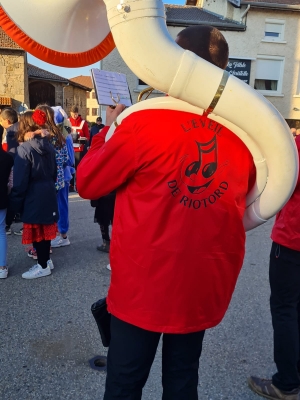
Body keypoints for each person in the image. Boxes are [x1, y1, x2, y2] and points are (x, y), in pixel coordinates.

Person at [77, 25, 256, 399]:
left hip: (141, 288)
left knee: (125, 383)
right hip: (200, 288)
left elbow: (88, 184)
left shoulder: (141, 123)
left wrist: (107, 131)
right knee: (182, 381)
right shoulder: (247, 134)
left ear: (179, 64)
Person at [248, 134, 300, 400]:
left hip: (293, 240)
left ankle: (287, 383)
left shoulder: (298, 146)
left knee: (284, 310)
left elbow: (282, 183)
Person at [9, 110, 58, 279]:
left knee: (38, 231)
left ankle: (43, 265)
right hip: (48, 190)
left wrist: (14, 206)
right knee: (46, 229)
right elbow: (54, 172)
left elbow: (20, 182)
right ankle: (46, 260)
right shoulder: (49, 145)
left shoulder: (24, 149)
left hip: (33, 193)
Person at [50, 106, 75, 248]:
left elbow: (70, 160)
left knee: (61, 205)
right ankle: (59, 233)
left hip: (62, 176)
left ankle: (63, 235)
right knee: (58, 205)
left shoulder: (65, 137)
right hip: (60, 175)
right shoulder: (62, 135)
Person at [0, 128, 14, 278]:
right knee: (1, 231)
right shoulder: (8, 158)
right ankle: (2, 267)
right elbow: (11, 182)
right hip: (1, 197)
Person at [68, 105, 90, 191]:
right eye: (73, 114)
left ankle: (78, 185)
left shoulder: (83, 122)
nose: (74, 116)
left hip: (79, 149)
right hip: (70, 148)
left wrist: (82, 139)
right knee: (70, 167)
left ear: (78, 113)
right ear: (70, 113)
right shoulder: (67, 121)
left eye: (76, 114)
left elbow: (87, 136)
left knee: (79, 168)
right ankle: (71, 185)